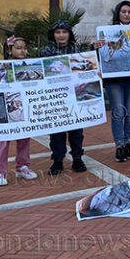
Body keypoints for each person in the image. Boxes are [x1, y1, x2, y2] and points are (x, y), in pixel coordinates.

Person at [0, 36, 38, 186]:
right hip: (4, 109)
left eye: (24, 48)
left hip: (24, 106)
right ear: (9, 50)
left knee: (25, 137)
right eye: (18, 48)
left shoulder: (29, 66)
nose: (22, 51)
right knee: (3, 140)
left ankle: (23, 166)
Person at [94, 1, 130, 162]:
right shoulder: (106, 32)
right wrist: (95, 46)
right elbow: (100, 53)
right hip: (114, 79)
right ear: (118, 13)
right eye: (123, 11)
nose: (126, 14)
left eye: (129, 12)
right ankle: (119, 146)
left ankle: (128, 144)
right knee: (118, 111)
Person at [39, 19, 88, 175]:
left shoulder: (77, 49)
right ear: (53, 34)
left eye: (64, 32)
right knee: (57, 132)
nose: (61, 35)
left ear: (69, 34)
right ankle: (57, 160)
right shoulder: (45, 51)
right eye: (58, 32)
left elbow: (85, 69)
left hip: (74, 95)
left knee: (76, 130)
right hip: (54, 98)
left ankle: (77, 158)